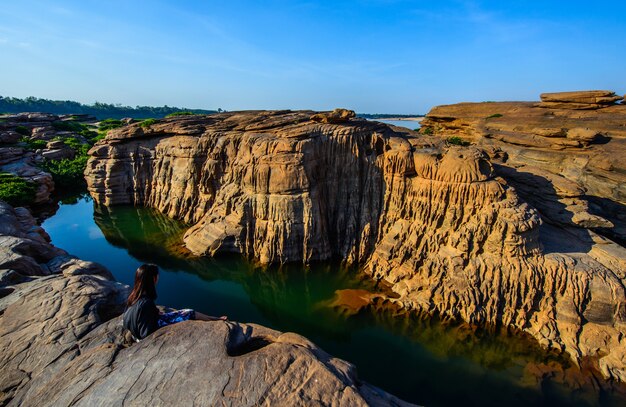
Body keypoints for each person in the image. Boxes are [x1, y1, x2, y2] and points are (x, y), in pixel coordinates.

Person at [123, 263, 227, 341]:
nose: (158, 277)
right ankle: (216, 320)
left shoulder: (134, 296)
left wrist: (154, 313)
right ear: (153, 279)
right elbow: (146, 332)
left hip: (140, 330)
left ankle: (215, 319)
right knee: (189, 313)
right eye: (157, 275)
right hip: (150, 332)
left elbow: (132, 318)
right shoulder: (146, 302)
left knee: (186, 311)